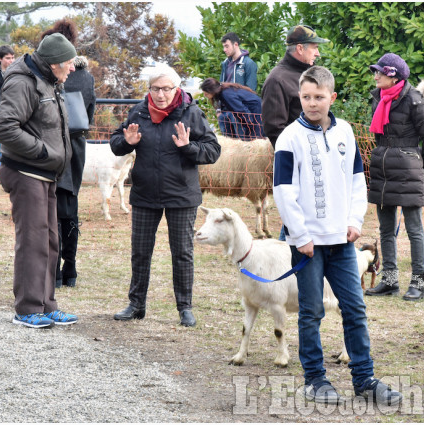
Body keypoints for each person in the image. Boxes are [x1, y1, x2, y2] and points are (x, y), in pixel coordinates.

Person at [273, 66, 402, 405]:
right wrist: (300, 236)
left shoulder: (344, 131)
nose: (312, 103)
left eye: (319, 97)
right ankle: (315, 379)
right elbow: (283, 191)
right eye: (305, 97)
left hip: (342, 243)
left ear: (332, 97)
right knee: (311, 311)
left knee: (355, 309)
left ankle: (365, 380)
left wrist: (354, 220)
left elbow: (358, 179)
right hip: (308, 246)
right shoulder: (289, 138)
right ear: (299, 97)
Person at [110, 66, 221, 327]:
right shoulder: (138, 111)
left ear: (177, 89)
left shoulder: (191, 113)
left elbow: (213, 150)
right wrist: (128, 142)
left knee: (182, 252)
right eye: (156, 88)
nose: (161, 95)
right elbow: (117, 142)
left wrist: (189, 147)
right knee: (140, 252)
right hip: (145, 194)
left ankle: (185, 308)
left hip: (181, 195)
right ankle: (136, 305)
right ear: (149, 89)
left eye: (167, 89)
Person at [0, 33, 79, 328]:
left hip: (46, 173)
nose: (72, 68)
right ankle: (28, 308)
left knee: (50, 240)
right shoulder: (23, 81)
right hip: (27, 171)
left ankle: (46, 304)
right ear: (54, 63)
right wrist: (42, 151)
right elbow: (4, 127)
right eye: (68, 63)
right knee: (32, 241)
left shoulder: (49, 80)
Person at [363, 53, 424, 301]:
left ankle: (418, 282)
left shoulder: (416, 101)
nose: (376, 76)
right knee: (386, 230)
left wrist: (419, 168)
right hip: (383, 171)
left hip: (408, 172)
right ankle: (390, 281)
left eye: (380, 72)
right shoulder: (377, 98)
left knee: (414, 230)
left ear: (393, 75)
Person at [41, 19, 97, 289]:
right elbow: (89, 115)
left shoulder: (46, 76)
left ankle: (56, 271)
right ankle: (70, 268)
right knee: (69, 206)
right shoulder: (86, 76)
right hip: (76, 146)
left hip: (51, 146)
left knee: (51, 207)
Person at [261, 25, 328, 147]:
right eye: (315, 48)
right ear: (300, 48)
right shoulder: (277, 80)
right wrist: (297, 156)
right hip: (299, 156)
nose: (318, 54)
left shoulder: (312, 72)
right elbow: (275, 129)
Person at [200, 77, 264, 140]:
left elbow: (242, 112)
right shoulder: (224, 90)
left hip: (256, 111)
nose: (205, 95)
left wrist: (250, 127)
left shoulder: (226, 94)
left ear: (213, 91)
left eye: (206, 93)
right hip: (253, 111)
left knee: (255, 138)